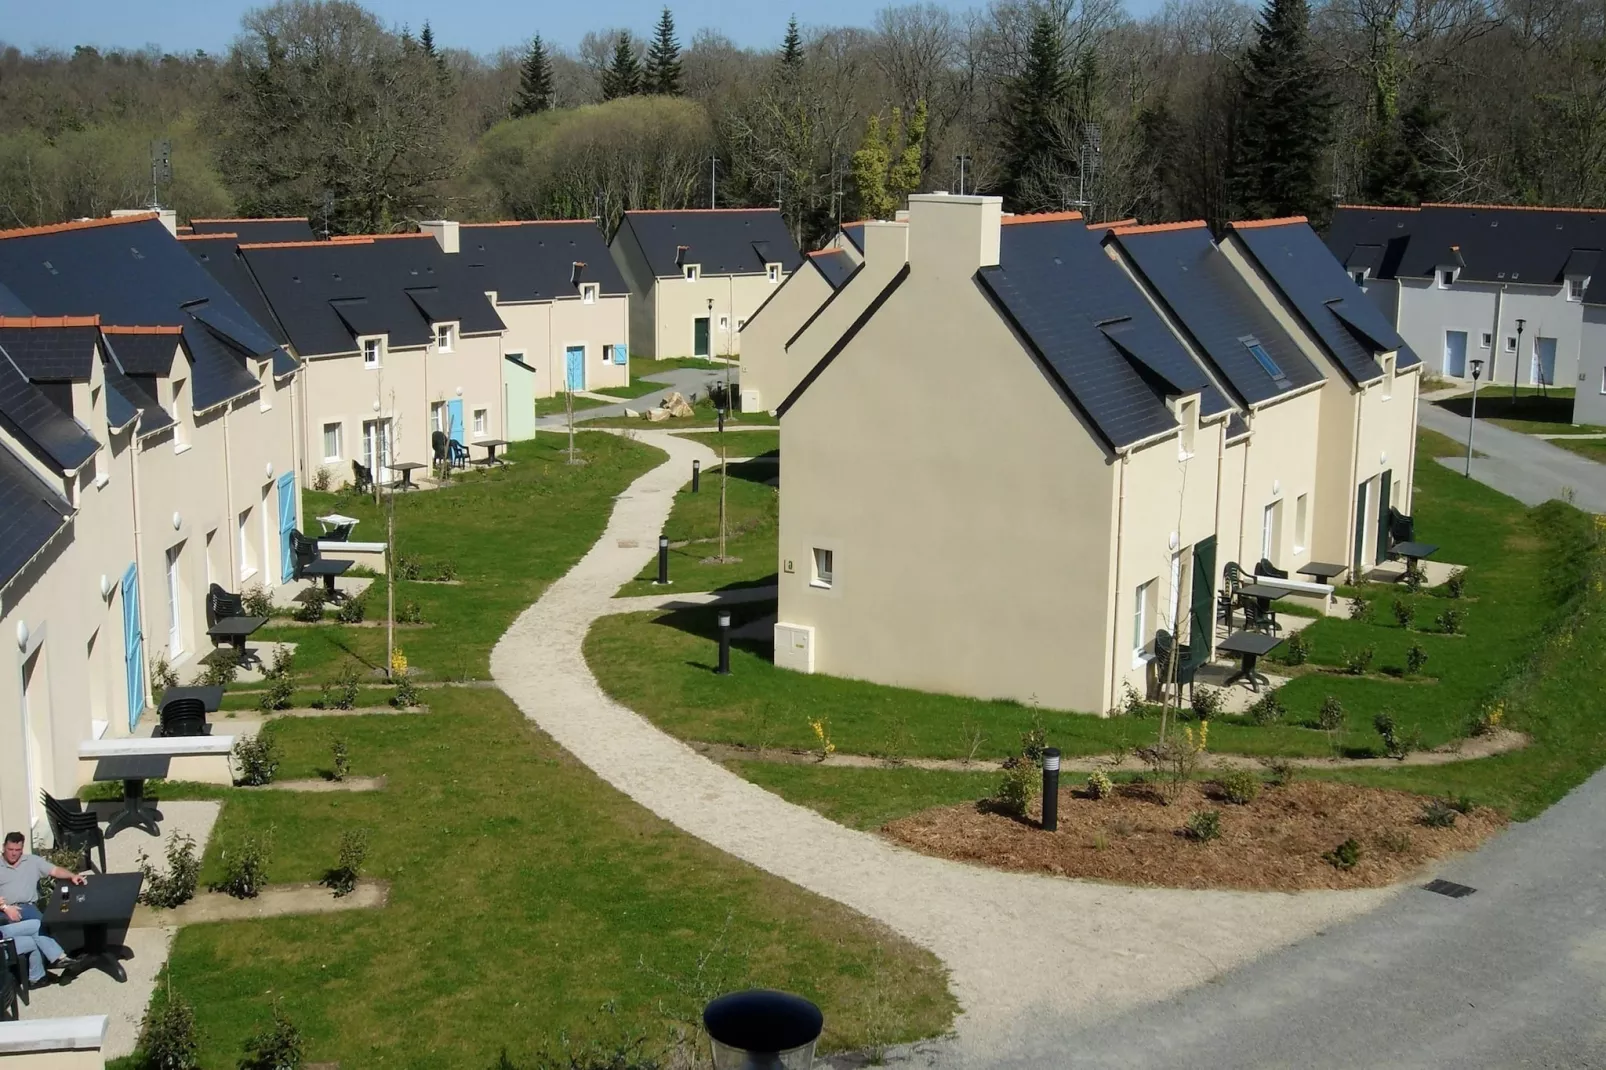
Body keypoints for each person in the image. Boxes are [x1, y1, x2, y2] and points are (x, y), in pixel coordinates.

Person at [0, 832, 86, 984]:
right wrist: (6, 907)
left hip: (29, 907)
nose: (13, 853)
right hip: (5, 912)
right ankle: (58, 958)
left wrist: (72, 876)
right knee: (38, 927)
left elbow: (54, 870)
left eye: (17, 850)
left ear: (22, 849)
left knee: (45, 926)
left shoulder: (32, 861)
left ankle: (40, 973)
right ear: (4, 848)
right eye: (10, 849)